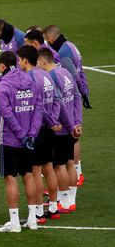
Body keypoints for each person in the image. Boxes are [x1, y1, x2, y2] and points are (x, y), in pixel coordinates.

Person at [0, 51, 43, 233]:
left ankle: (14, 222)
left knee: (10, 178)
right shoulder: (31, 81)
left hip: (10, 138)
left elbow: (7, 114)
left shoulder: (3, 87)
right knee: (28, 175)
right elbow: (38, 108)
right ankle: (32, 219)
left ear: (2, 66)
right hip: (30, 138)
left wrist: (22, 135)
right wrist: (31, 134)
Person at [17, 45, 62, 222]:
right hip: (50, 129)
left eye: (20, 60)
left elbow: (38, 107)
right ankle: (53, 207)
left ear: (25, 61)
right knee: (49, 168)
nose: (19, 63)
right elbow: (57, 99)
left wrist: (50, 122)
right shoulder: (46, 74)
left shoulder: (30, 78)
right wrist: (55, 121)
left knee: (35, 171)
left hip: (38, 129)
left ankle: (37, 212)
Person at [36, 48, 83, 214]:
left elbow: (60, 104)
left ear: (42, 62)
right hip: (72, 124)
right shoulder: (65, 72)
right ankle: (70, 200)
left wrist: (67, 125)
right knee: (71, 163)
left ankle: (63, 201)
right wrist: (77, 122)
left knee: (59, 166)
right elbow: (77, 96)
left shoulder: (51, 77)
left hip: (62, 128)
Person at [44, 25, 90, 186]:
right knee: (74, 138)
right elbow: (80, 71)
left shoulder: (63, 53)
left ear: (50, 39)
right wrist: (84, 90)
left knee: (64, 155)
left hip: (68, 101)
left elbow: (73, 76)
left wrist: (80, 90)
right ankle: (76, 174)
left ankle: (75, 176)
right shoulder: (71, 45)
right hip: (75, 96)